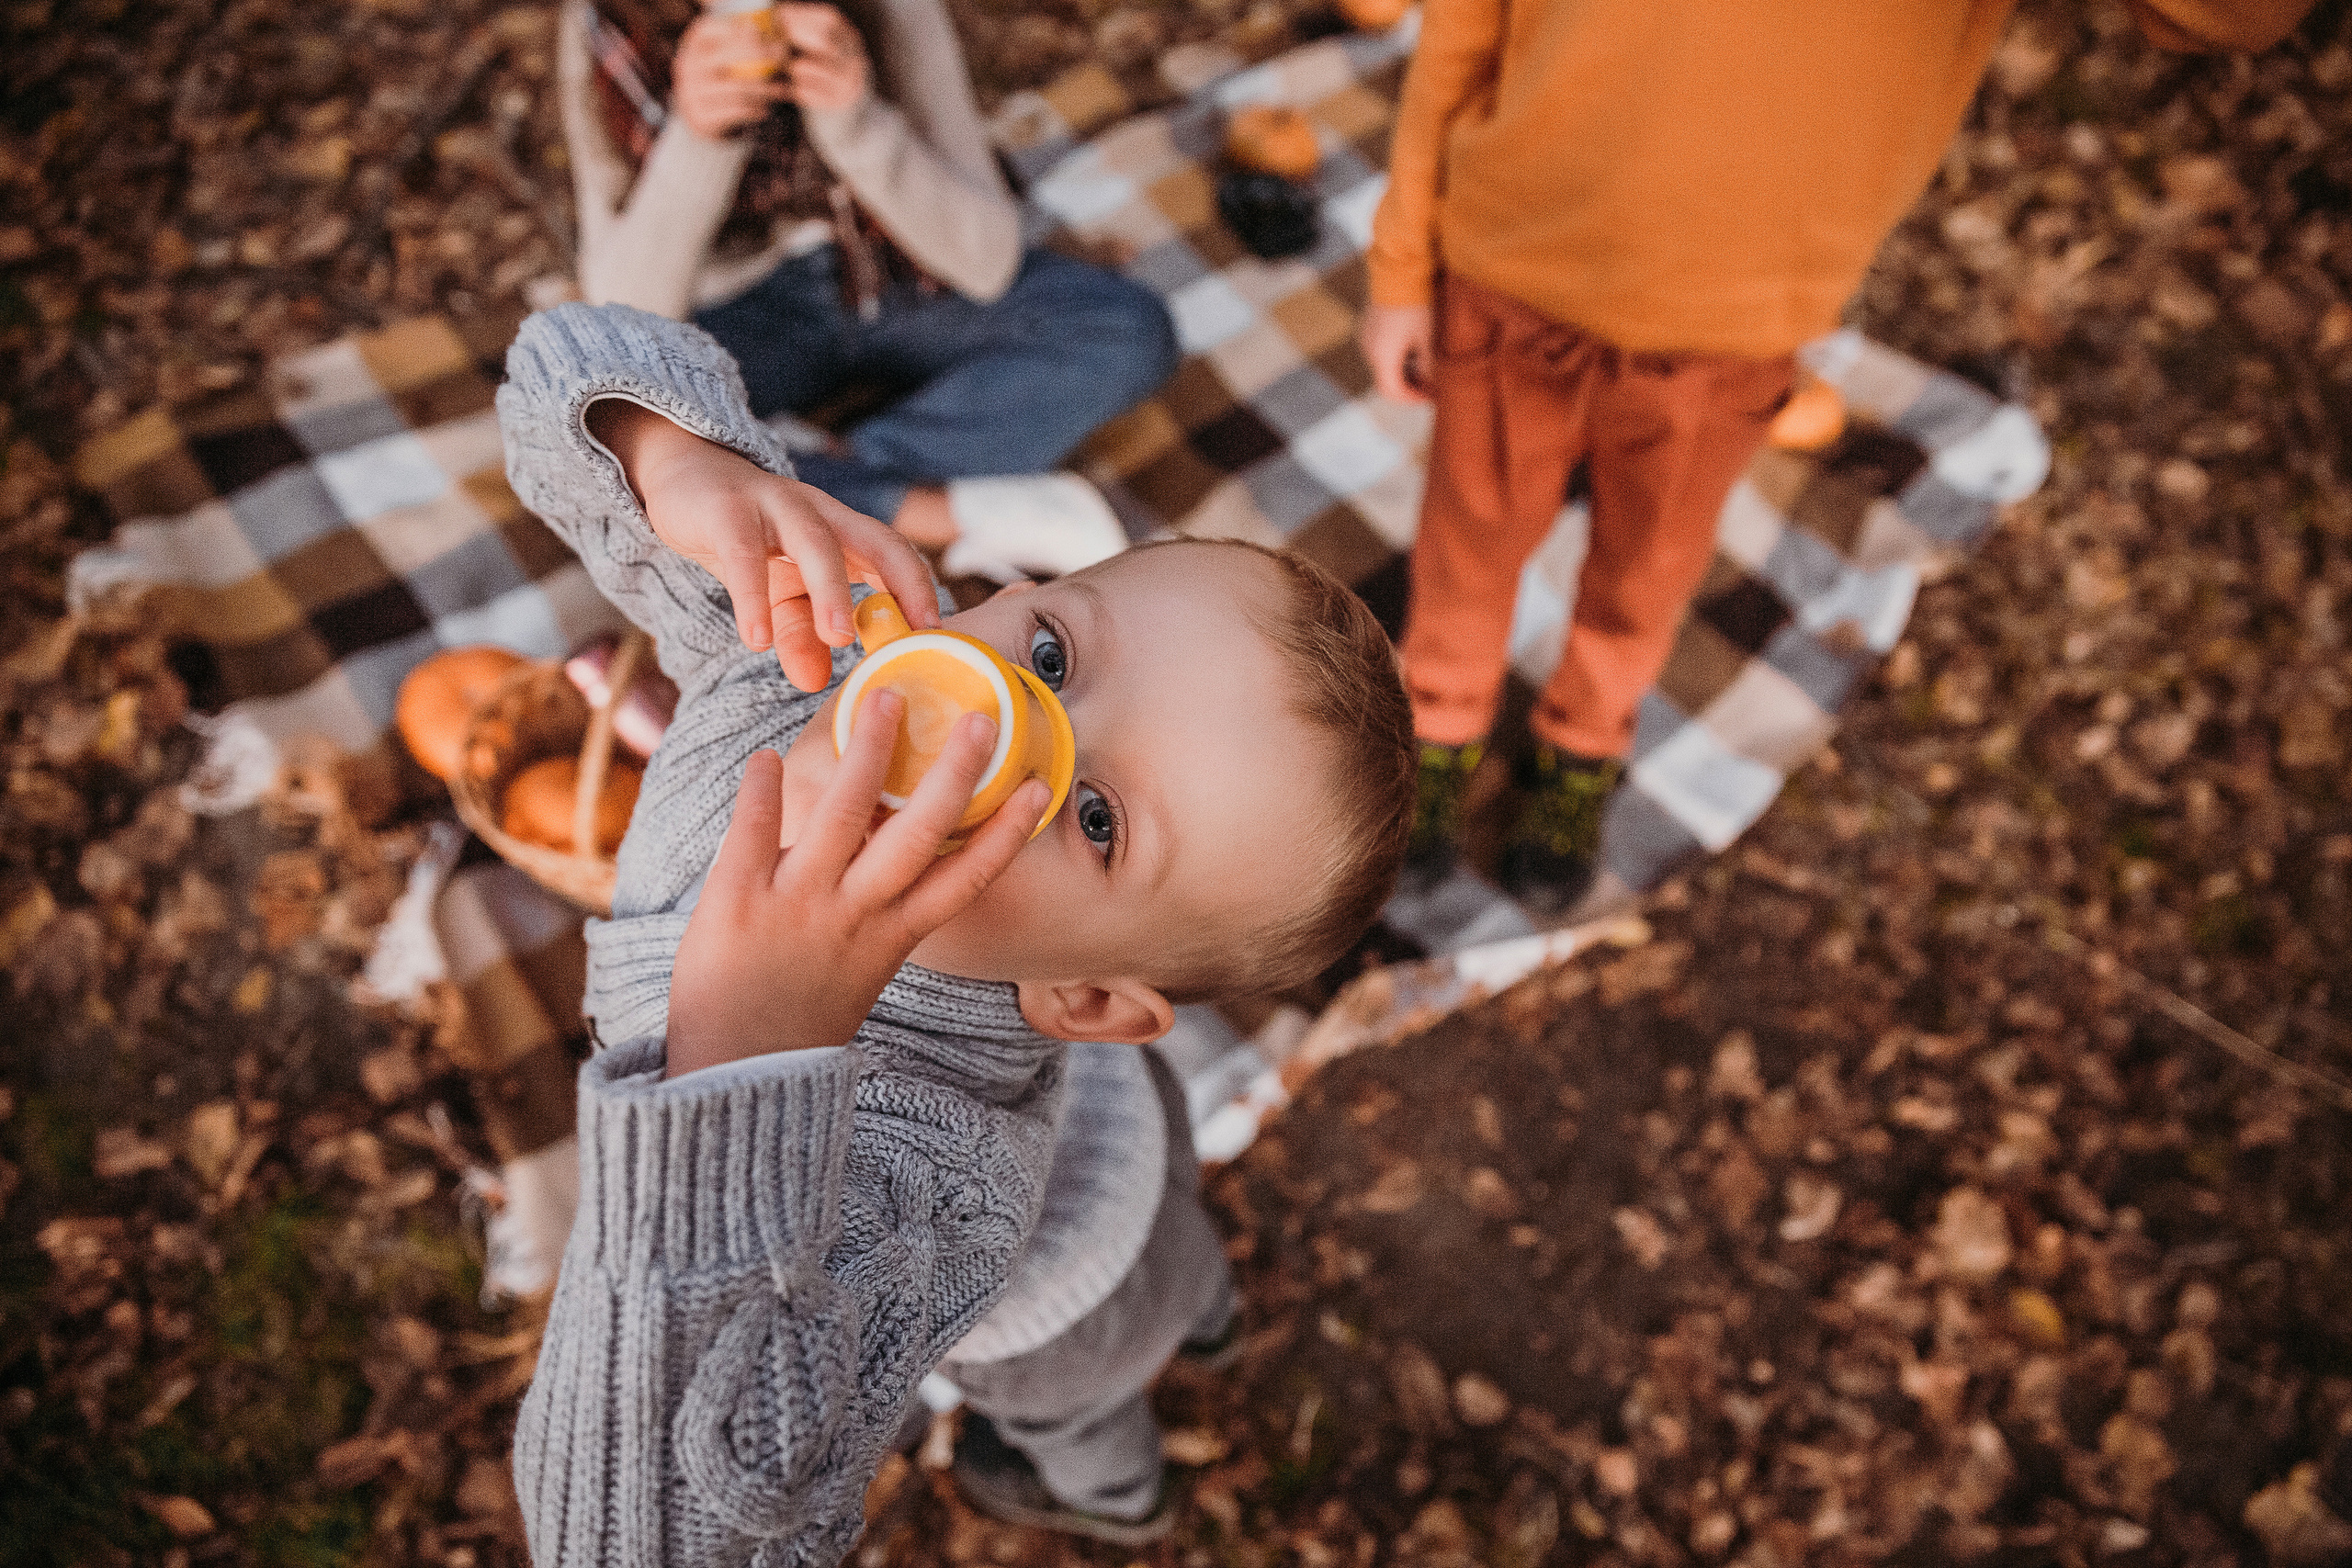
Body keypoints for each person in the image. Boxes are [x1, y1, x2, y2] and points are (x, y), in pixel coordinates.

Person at [497, 302, 1414, 1562]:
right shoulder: (791, 661)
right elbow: (557, 357)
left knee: (1089, 1391)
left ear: (1085, 998)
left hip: (1064, 1303)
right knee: (1187, 1257)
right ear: (1009, 592)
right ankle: (1208, 1311)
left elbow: (641, 1539)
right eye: (1047, 652)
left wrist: (745, 1055)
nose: (990, 726)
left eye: (1094, 814)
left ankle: (1112, 1487)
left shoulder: (925, 1178)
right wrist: (683, 465)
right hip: (1139, 1133)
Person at [1361, 0, 2319, 915]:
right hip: (1509, 274)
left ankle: (1582, 743)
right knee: (1467, 544)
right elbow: (1463, 27)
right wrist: (1402, 265)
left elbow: (2231, 22)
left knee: (1647, 568)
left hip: (1734, 330)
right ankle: (1437, 724)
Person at [558, 0, 1180, 582]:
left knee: (1127, 329)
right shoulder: (610, 27)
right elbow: (620, 317)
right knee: (595, 434)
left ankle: (812, 471)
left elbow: (986, 260)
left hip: (895, 276)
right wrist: (696, 141)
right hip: (745, 313)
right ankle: (941, 511)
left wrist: (856, 124)